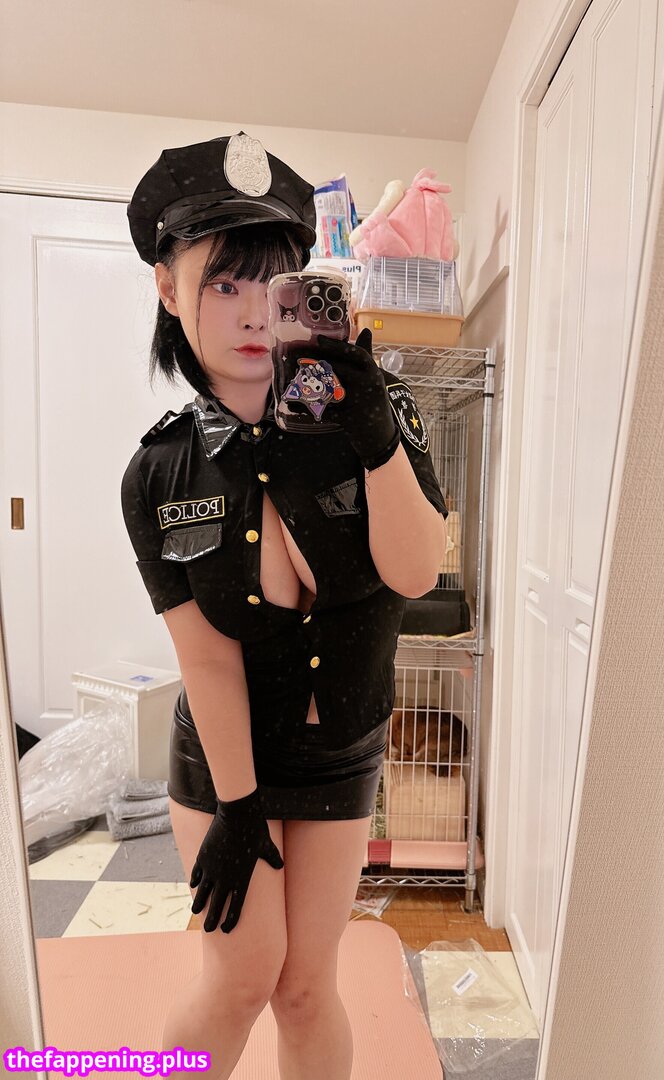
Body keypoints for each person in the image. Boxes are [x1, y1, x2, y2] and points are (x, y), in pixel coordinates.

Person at [120, 131, 448, 1080]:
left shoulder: (373, 408)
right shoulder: (158, 473)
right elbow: (205, 656)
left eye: (275, 283)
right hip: (228, 755)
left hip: (340, 746)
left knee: (307, 986)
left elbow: (416, 574)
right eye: (223, 283)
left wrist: (376, 438)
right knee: (240, 977)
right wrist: (238, 808)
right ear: (168, 290)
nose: (254, 313)